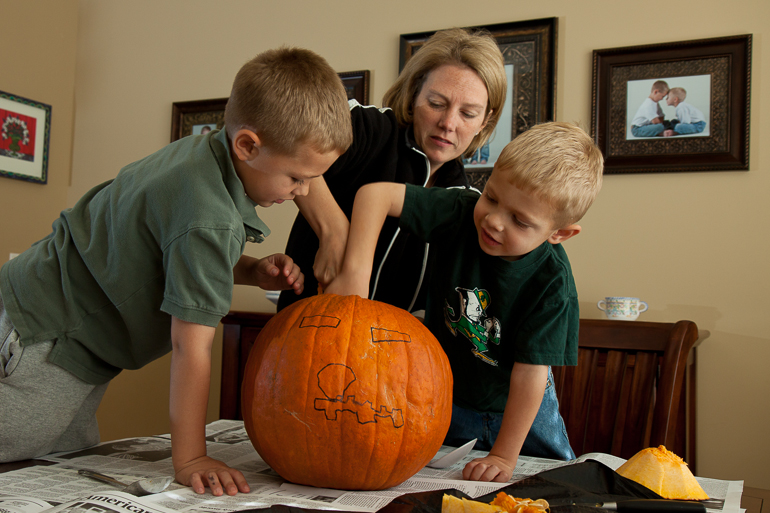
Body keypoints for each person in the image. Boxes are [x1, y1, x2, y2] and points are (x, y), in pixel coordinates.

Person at [0, 47, 352, 496]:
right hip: (53, 328)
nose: (302, 192)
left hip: (69, 325)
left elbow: (170, 254)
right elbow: (191, 348)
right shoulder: (210, 216)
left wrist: (249, 271)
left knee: (65, 452)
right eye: (297, 178)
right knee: (16, 441)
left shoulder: (202, 155)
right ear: (247, 145)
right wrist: (190, 457)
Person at [326, 122, 604, 482]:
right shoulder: (460, 212)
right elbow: (374, 196)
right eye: (491, 196)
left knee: (545, 489)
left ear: (559, 233)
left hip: (520, 411)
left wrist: (504, 455)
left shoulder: (553, 285)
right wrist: (356, 274)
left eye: (519, 220)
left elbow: (530, 376)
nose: (493, 220)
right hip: (447, 397)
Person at [278, 28, 507, 314]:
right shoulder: (367, 128)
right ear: (413, 94)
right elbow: (288, 144)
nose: (448, 123)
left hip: (392, 352)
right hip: (306, 330)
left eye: (468, 114)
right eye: (436, 103)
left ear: (485, 121)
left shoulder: (464, 201)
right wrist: (332, 230)